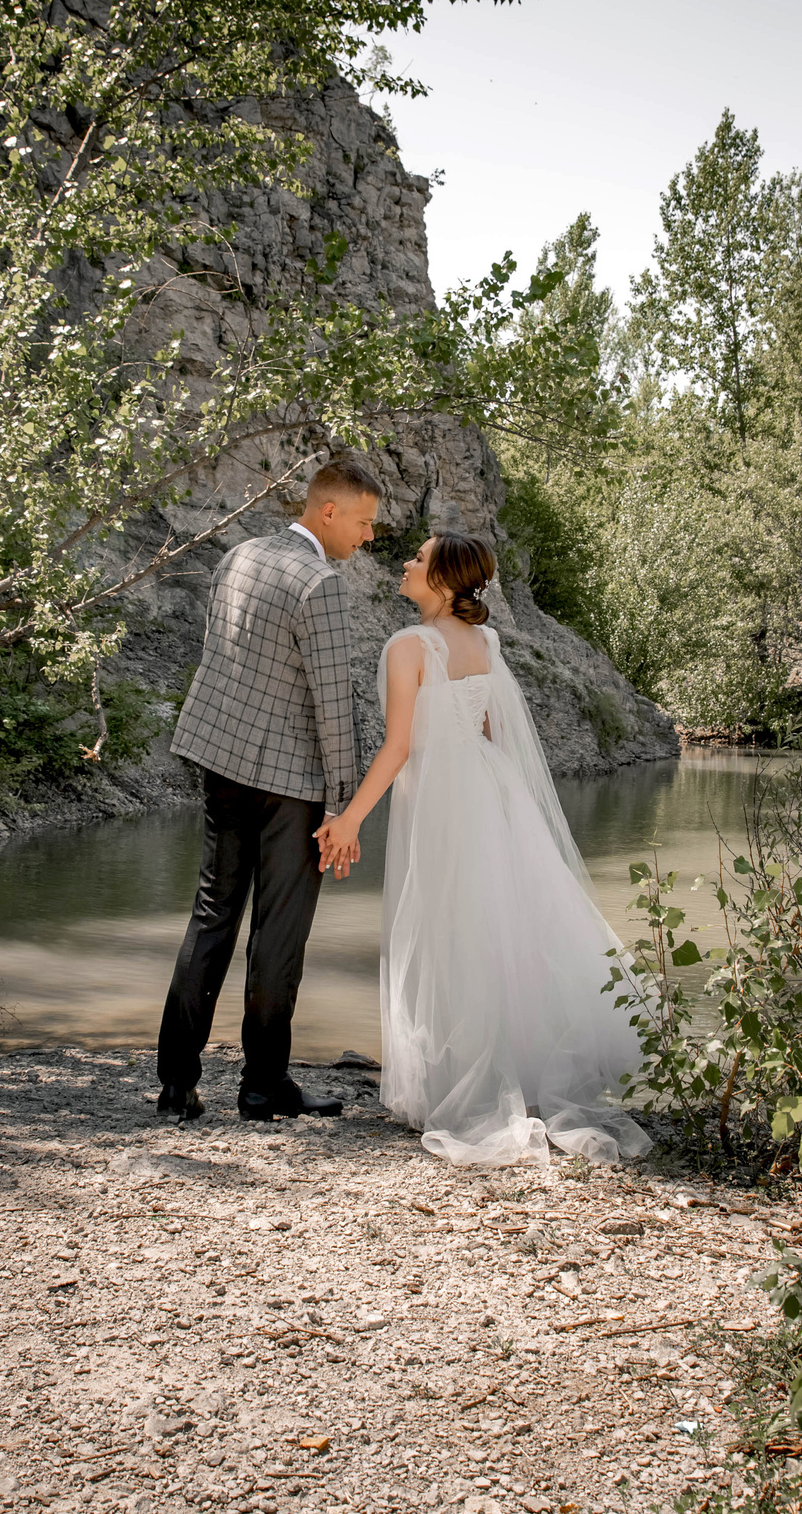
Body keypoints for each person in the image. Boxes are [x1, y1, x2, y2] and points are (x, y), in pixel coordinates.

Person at [315, 533, 651, 1166]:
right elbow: (494, 729)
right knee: (499, 930)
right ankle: (508, 1073)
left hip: (444, 799)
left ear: (443, 580)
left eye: (417, 559)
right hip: (491, 789)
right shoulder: (486, 642)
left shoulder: (408, 646)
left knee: (448, 929)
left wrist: (351, 819)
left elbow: (398, 748)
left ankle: (462, 1084)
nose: (405, 564)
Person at [154, 458, 381, 1123]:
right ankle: (261, 1087)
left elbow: (217, 657)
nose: (368, 536)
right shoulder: (322, 584)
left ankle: (176, 1086)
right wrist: (343, 807)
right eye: (364, 522)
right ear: (329, 511)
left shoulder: (240, 556)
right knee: (278, 935)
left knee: (210, 916)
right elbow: (333, 708)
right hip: (292, 787)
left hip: (222, 768)